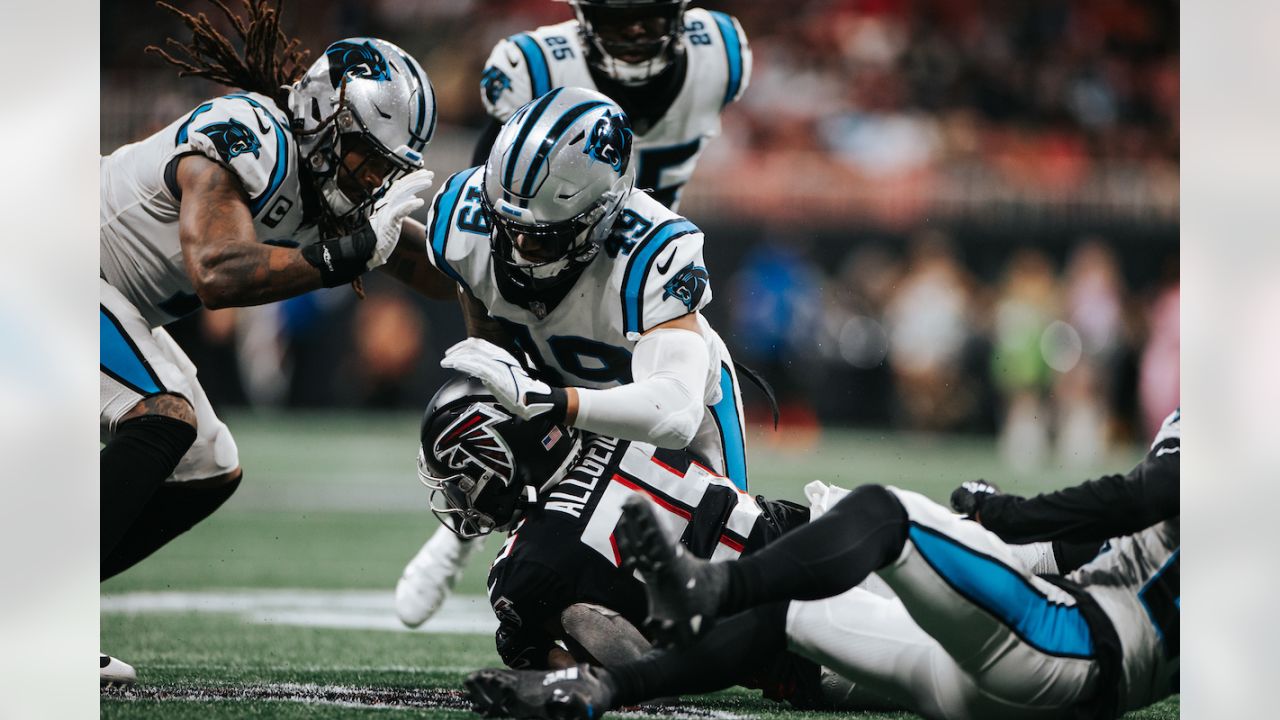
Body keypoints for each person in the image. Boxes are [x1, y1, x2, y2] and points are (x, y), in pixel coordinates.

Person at [100, 0, 452, 685]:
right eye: (365, 158)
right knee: (164, 417)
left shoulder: (328, 182)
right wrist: (348, 255)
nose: (372, 181)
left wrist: (518, 273)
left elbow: (435, 270)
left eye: (387, 168)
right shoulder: (249, 131)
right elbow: (217, 272)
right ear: (323, 119)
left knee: (208, 465)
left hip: (95, 288)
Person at [465, 409, 1181, 720]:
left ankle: (707, 587)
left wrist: (1010, 513)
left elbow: (1143, 494)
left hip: (1058, 648)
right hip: (1045, 679)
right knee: (789, 615)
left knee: (881, 516)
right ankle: (601, 691)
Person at [396, 88, 755, 629]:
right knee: (464, 421)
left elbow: (676, 412)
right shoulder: (466, 216)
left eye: (537, 239)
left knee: (721, 601)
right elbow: (483, 308)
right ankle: (463, 540)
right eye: (505, 228)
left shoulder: (654, 247)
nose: (515, 249)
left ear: (599, 218)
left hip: (668, 406)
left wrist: (551, 400)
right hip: (555, 391)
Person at [417, 375, 828, 705]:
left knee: (560, 619)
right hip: (819, 527)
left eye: (461, 482)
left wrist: (533, 649)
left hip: (806, 649)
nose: (460, 497)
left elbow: (523, 643)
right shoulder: (617, 416)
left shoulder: (524, 567)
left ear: (496, 458)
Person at [474, 0, 750, 210]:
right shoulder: (535, 65)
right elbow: (484, 186)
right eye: (615, 19)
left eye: (650, 18)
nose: (634, 32)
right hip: (549, 245)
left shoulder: (721, 50)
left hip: (657, 241)